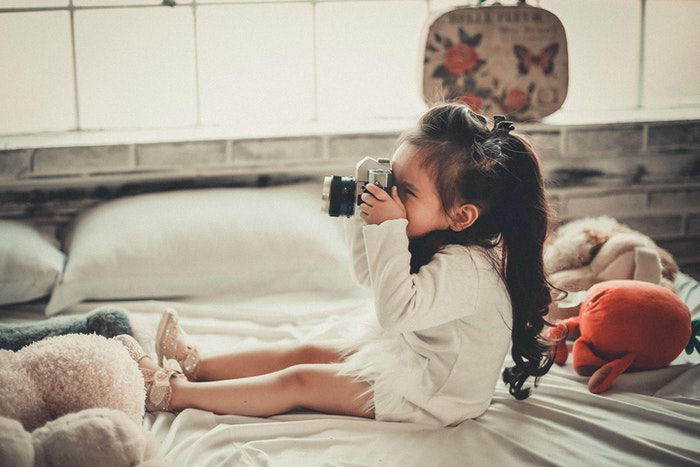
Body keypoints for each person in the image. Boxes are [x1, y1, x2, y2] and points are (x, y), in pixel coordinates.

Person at [115, 102, 561, 427]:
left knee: (300, 380)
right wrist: (363, 215)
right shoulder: (442, 236)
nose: (391, 198)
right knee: (307, 350)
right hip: (415, 354)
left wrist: (386, 227)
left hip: (436, 393)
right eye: (391, 181)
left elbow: (395, 311)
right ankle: (198, 364)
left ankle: (171, 394)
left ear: (461, 215)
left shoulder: (471, 270)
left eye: (405, 191)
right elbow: (368, 275)